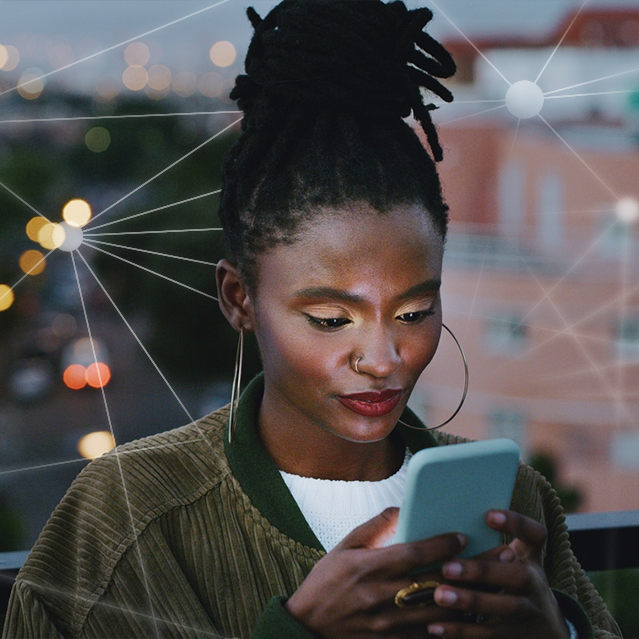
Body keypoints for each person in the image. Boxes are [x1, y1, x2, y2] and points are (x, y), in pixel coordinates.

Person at [3, 1, 623, 638]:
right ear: (239, 298)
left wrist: (559, 633)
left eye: (414, 311)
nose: (383, 358)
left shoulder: (513, 501)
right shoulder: (127, 516)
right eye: (331, 318)